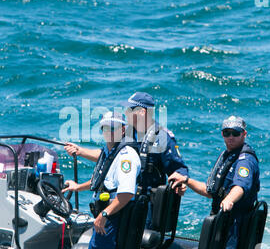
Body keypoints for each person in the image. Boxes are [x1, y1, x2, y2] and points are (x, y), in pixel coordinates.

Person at [64, 92, 190, 229]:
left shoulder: (163, 138)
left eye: (130, 109)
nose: (125, 112)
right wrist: (80, 151)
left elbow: (179, 169)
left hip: (146, 204)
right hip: (123, 201)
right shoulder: (127, 132)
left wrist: (181, 183)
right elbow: (110, 157)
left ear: (142, 112)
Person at [184, 115, 260, 249]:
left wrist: (229, 200)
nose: (231, 137)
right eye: (227, 133)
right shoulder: (228, 156)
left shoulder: (245, 160)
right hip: (220, 220)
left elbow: (241, 186)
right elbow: (211, 192)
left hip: (232, 224)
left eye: (235, 133)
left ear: (244, 134)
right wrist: (187, 180)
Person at [62, 111, 141, 249]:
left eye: (113, 128)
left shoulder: (126, 156)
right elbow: (102, 181)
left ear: (123, 130)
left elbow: (126, 193)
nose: (108, 132)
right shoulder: (110, 151)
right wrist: (77, 187)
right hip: (106, 214)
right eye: (105, 128)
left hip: (113, 217)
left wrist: (104, 214)